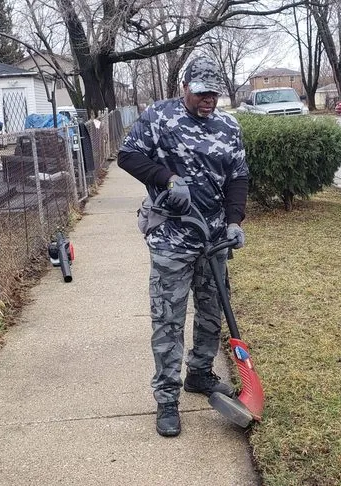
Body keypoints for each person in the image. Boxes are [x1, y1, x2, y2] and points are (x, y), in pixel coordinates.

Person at [118, 57, 250, 438]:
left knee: (211, 313)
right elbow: (128, 155)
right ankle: (166, 398)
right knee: (168, 319)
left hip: (213, 240)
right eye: (201, 92)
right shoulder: (159, 117)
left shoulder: (229, 126)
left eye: (214, 93)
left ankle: (200, 374)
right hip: (171, 239)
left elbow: (239, 175)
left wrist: (234, 221)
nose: (208, 100)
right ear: (185, 88)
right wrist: (167, 177)